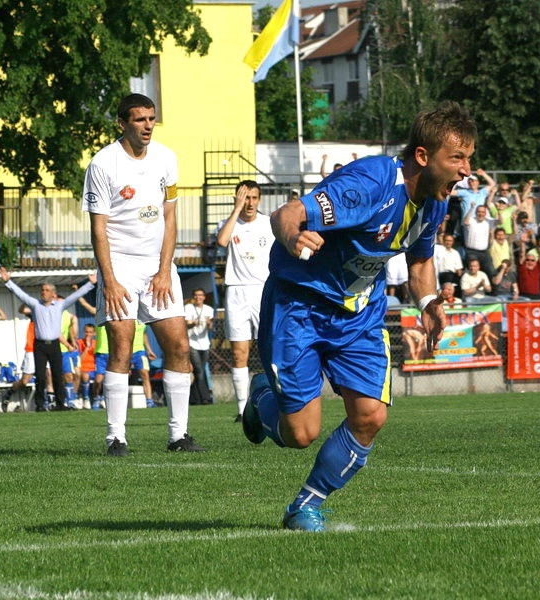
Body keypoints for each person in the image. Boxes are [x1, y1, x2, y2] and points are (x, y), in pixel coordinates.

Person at [242, 102, 476, 531]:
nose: (466, 170)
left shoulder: (435, 203)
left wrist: (428, 305)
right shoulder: (369, 183)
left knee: (370, 416)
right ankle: (261, 399)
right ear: (422, 157)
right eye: (457, 158)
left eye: (469, 159)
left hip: (359, 317)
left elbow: (421, 262)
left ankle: (305, 506)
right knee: (300, 434)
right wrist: (294, 235)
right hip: (300, 307)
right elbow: (286, 214)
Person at [83, 93, 204, 455]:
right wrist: (110, 279)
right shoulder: (103, 164)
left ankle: (178, 436)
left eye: (151, 118)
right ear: (122, 123)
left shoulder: (167, 158)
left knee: (179, 346)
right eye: (139, 119)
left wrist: (165, 270)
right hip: (119, 266)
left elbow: (170, 217)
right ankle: (116, 438)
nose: (148, 125)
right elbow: (98, 228)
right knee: (121, 347)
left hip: (158, 269)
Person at [0, 268, 95, 411]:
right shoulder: (35, 304)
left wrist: (90, 284)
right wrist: (8, 281)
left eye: (46, 290)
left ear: (52, 293)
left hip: (54, 345)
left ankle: (60, 404)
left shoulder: (60, 305)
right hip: (40, 345)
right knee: (41, 376)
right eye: (42, 290)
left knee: (57, 375)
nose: (43, 292)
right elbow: (21, 295)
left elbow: (75, 296)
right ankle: (40, 405)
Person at [216, 180, 272, 421]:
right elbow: (221, 241)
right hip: (236, 291)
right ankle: (241, 410)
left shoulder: (269, 224)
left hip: (263, 290)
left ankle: (274, 401)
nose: (250, 203)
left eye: (253, 198)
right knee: (239, 353)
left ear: (260, 199)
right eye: (245, 198)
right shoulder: (229, 223)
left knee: (269, 348)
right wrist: (236, 210)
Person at [185, 289, 214, 405]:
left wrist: (209, 324)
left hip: (204, 343)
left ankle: (195, 399)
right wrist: (193, 323)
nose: (198, 297)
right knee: (199, 371)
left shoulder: (209, 309)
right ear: (193, 297)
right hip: (192, 343)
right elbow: (186, 324)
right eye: (196, 295)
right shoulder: (188, 308)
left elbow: (211, 327)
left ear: (204, 297)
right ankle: (205, 397)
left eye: (200, 295)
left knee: (199, 372)